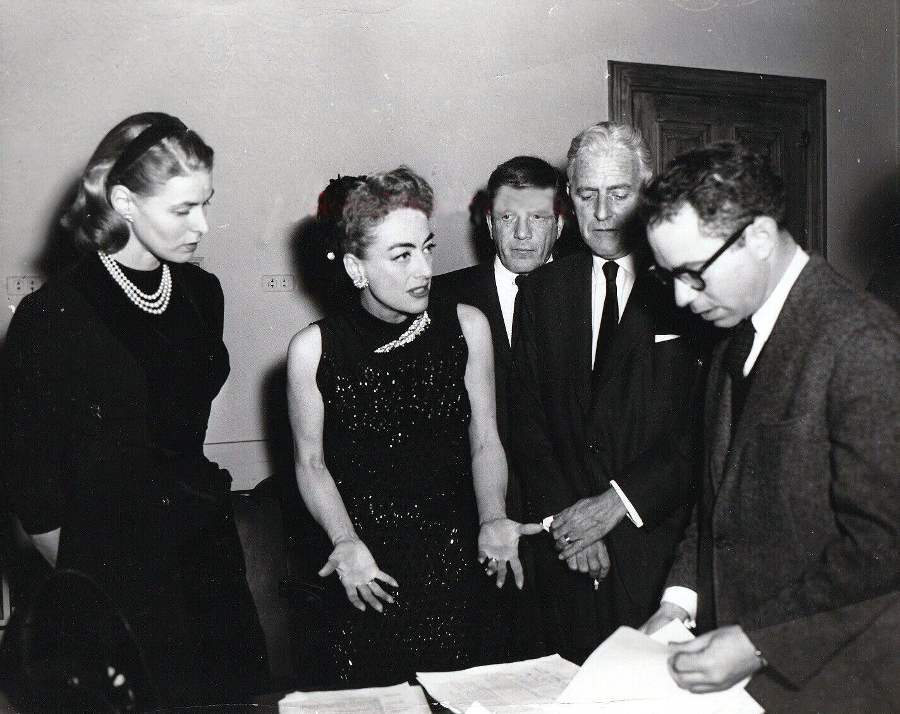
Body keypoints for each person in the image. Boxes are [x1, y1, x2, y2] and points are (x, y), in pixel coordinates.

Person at [0, 113, 268, 707]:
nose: (203, 224)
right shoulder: (56, 316)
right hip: (110, 560)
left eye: (206, 203)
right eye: (182, 210)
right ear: (123, 201)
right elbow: (33, 485)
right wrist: (87, 577)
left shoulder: (202, 294)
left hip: (205, 543)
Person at [639, 142, 900, 713]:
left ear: (758, 236)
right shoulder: (734, 333)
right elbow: (718, 500)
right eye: (669, 278)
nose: (682, 297)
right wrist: (680, 602)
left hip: (843, 684)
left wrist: (760, 642)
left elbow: (885, 545)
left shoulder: (863, 343)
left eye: (692, 273)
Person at [287, 167, 540, 688]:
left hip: (458, 564)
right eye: (401, 256)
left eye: (426, 248)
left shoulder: (468, 326)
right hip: (367, 570)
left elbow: (486, 441)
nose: (423, 269)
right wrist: (344, 541)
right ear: (357, 268)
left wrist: (493, 516)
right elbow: (310, 464)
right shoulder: (313, 349)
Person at [508, 122, 709, 664]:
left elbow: (703, 430)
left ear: (647, 194)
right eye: (586, 194)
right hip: (567, 554)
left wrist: (616, 504)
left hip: (659, 553)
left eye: (618, 195)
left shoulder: (687, 287)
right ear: (568, 200)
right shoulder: (541, 293)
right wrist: (571, 523)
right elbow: (525, 422)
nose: (601, 213)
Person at [432, 156, 564, 662]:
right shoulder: (442, 300)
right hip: (465, 533)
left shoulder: (594, 296)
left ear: (560, 222)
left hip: (559, 533)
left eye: (538, 218)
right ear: (489, 222)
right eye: (509, 218)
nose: (524, 234)